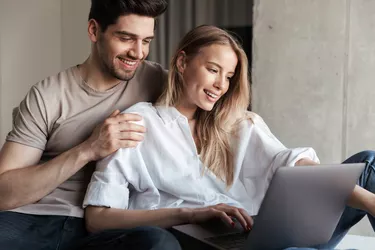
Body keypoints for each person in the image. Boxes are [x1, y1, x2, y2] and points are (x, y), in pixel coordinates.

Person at [83, 25, 375, 250]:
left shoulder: (238, 124)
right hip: (194, 240)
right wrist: (191, 214)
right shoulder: (139, 123)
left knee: (369, 164)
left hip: (259, 234)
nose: (221, 85)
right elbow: (98, 218)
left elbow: (293, 166)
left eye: (229, 76)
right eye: (213, 70)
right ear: (182, 63)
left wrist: (371, 202)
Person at [0, 0, 182, 249]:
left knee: (160, 243)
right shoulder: (48, 95)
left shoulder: (159, 82)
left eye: (146, 41)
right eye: (126, 38)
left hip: (104, 226)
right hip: (31, 219)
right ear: (94, 31)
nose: (138, 52)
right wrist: (88, 149)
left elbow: (212, 97)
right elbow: (4, 192)